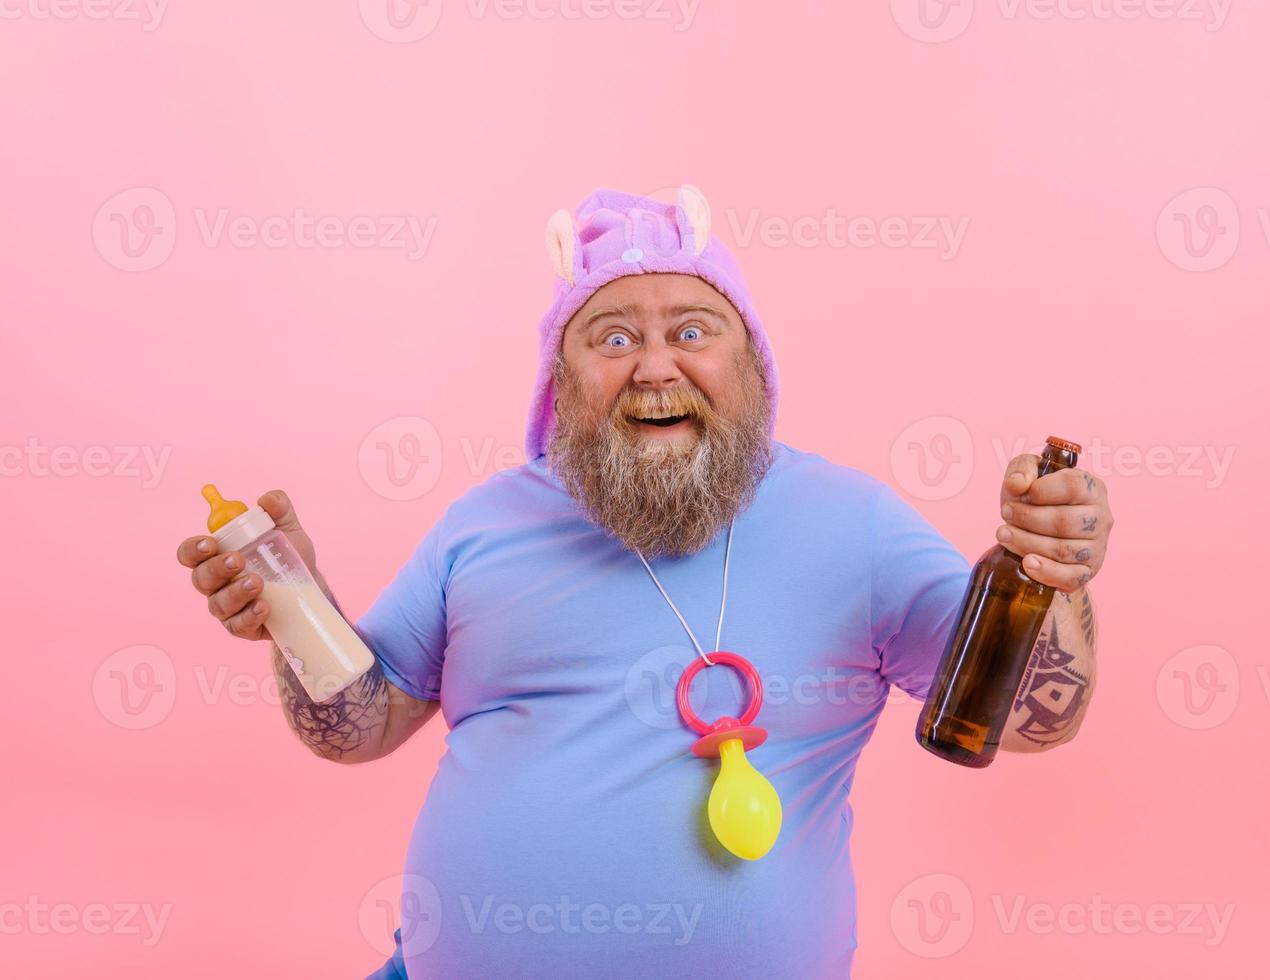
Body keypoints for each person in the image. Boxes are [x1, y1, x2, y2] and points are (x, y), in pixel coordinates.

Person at [175, 186, 1113, 979]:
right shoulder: (485, 522)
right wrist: (292, 604)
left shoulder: (856, 525)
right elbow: (360, 728)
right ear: (560, 378)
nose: (655, 366)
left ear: (753, 365)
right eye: (611, 338)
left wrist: (1054, 575)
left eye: (693, 330)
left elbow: (1034, 719)